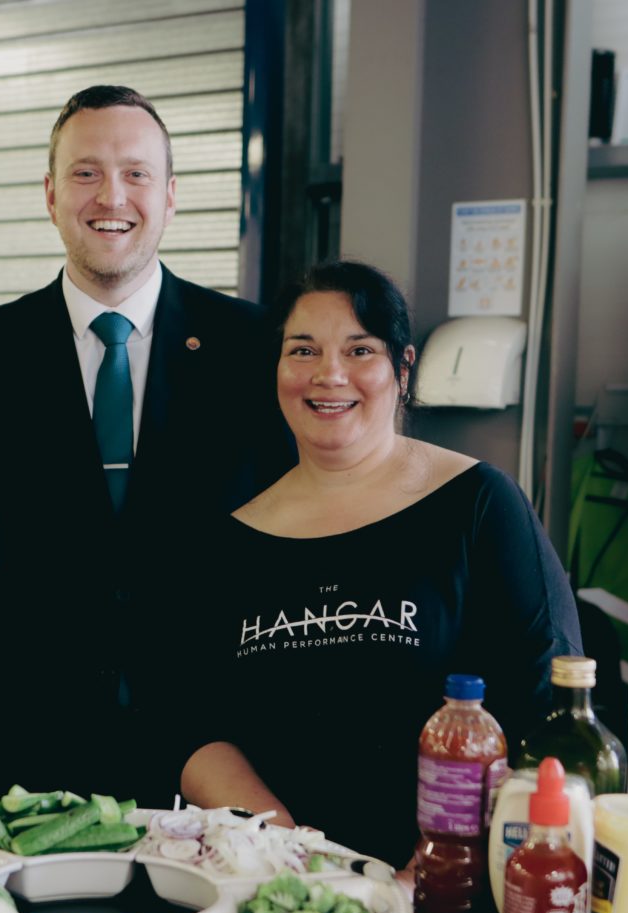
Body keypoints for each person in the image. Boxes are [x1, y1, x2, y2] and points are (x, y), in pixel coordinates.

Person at [0, 85, 293, 805]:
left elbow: (293, 546)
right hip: (37, 752)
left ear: (171, 196)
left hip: (212, 750)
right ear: (50, 195)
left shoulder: (250, 344)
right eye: (86, 172)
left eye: (136, 173)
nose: (112, 195)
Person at [178, 261, 582, 866]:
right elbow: (194, 723)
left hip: (450, 880)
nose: (329, 374)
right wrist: (295, 856)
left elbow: (544, 710)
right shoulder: (233, 537)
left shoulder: (478, 504)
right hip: (281, 880)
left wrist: (430, 870)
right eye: (303, 350)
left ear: (403, 367)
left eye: (359, 349)